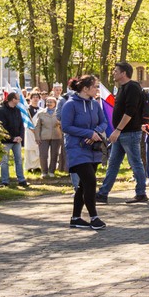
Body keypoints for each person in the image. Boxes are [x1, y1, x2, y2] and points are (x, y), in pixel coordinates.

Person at [94, 62, 149, 204]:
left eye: (116, 70)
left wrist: (118, 130)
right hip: (121, 133)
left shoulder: (132, 87)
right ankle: (103, 193)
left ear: (123, 73)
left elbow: (130, 111)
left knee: (135, 162)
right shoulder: (123, 88)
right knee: (113, 163)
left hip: (129, 133)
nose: (113, 72)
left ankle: (141, 193)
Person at [61, 76, 108, 230]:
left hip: (93, 149)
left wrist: (95, 132)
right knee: (90, 182)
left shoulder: (95, 104)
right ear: (85, 88)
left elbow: (104, 122)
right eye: (95, 86)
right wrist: (87, 133)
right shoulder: (70, 105)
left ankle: (75, 218)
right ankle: (94, 217)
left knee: (83, 185)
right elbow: (66, 127)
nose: (97, 89)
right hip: (77, 149)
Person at [0, 92, 27, 187]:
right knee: (4, 161)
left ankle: (21, 180)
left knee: (18, 160)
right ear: (13, 99)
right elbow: (1, 127)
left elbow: (21, 125)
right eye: (17, 99)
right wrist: (12, 138)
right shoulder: (2, 111)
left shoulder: (17, 110)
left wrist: (20, 136)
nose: (18, 100)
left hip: (17, 140)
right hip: (6, 141)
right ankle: (5, 181)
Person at [33, 97, 62, 178]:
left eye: (51, 102)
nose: (49, 103)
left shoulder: (59, 113)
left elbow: (63, 125)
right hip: (44, 137)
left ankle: (51, 171)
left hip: (56, 137)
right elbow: (37, 127)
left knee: (54, 155)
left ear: (55, 104)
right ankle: (44, 172)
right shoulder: (41, 113)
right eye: (47, 102)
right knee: (43, 155)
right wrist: (37, 137)